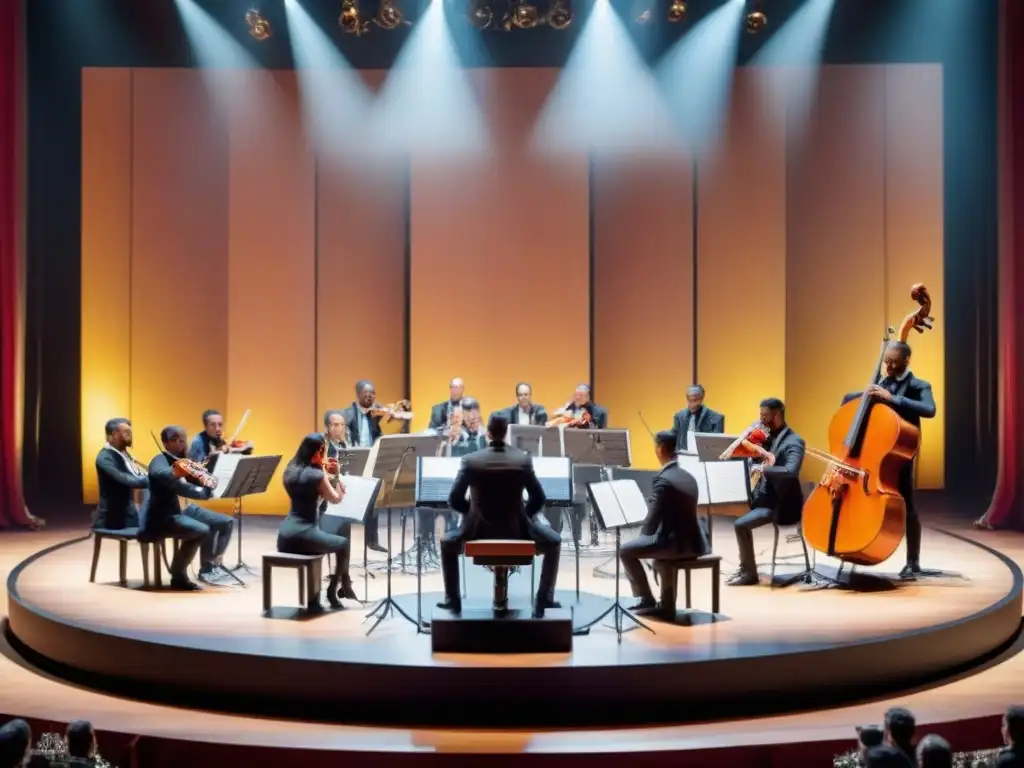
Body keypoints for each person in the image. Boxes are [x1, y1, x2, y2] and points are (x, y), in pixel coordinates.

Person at [438, 413, 561, 615]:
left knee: (447, 544)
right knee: (554, 542)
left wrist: (471, 513)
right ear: (506, 433)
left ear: (488, 433)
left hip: (477, 532)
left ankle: (452, 600)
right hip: (517, 531)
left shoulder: (471, 461)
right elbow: (539, 498)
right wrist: (524, 515)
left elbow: (454, 499)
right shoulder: (522, 460)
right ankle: (544, 599)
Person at [842, 341, 936, 579]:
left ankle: (912, 561)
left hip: (900, 451)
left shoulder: (918, 384)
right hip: (876, 450)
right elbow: (852, 400)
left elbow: (929, 409)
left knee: (908, 504)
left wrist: (892, 398)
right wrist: (857, 398)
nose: (889, 366)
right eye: (886, 361)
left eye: (894, 361)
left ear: (907, 360)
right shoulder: (882, 381)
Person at [620, 430, 710, 617]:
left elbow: (653, 519)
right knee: (656, 550)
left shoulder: (663, 480)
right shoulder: (687, 475)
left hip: (674, 545)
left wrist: (642, 538)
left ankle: (646, 598)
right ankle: (666, 604)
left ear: (660, 449)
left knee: (626, 550)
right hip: (696, 543)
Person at [728, 398, 805, 586]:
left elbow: (790, 471)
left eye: (765, 415)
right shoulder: (768, 437)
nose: (760, 420)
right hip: (763, 497)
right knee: (731, 505)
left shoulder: (794, 442)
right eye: (760, 415)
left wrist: (764, 469)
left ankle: (749, 574)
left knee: (740, 525)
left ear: (777, 415)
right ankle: (745, 566)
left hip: (780, 504)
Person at [141, 426, 231, 589]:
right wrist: (176, 472)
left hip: (185, 509)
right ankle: (178, 575)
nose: (184, 445)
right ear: (167, 443)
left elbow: (195, 483)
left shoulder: (183, 460)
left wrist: (211, 466)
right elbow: (159, 474)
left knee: (224, 522)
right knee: (202, 530)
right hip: (164, 516)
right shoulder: (159, 460)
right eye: (180, 441)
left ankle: (208, 567)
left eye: (184, 441)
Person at [277, 433, 356, 610]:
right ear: (319, 451)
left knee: (324, 538)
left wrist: (323, 472)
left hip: (285, 534)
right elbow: (336, 498)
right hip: (305, 533)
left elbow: (307, 487)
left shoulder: (290, 470)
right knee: (343, 543)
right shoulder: (317, 475)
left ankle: (315, 599)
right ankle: (332, 589)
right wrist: (337, 475)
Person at [341, 380, 389, 552]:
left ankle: (372, 540)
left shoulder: (375, 414)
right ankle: (343, 542)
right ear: (359, 393)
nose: (370, 396)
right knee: (347, 501)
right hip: (355, 459)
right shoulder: (347, 414)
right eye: (367, 392)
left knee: (373, 501)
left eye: (373, 393)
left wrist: (381, 417)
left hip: (372, 459)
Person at [93, 417, 148, 530]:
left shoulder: (125, 454)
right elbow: (124, 478)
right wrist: (152, 480)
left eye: (130, 432)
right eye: (126, 432)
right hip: (112, 516)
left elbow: (139, 474)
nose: (130, 436)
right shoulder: (104, 458)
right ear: (114, 434)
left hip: (128, 512)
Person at [669, 385, 725, 452]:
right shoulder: (679, 416)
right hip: (683, 457)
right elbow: (673, 435)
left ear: (701, 399)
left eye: (695, 400)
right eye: (690, 400)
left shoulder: (717, 418)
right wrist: (662, 437)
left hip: (704, 456)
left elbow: (716, 443)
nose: (692, 404)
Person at [187, 409, 253, 463]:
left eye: (220, 424)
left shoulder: (218, 439)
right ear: (205, 426)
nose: (218, 428)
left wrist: (242, 450)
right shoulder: (197, 442)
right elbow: (198, 467)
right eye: (212, 425)